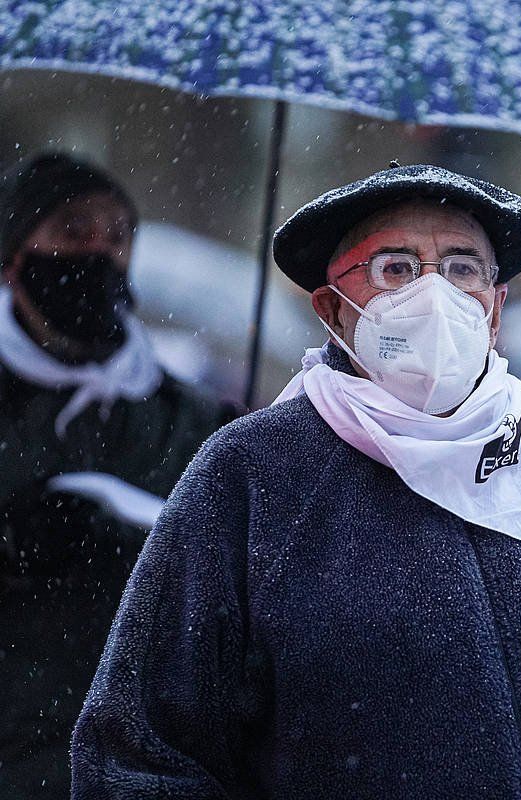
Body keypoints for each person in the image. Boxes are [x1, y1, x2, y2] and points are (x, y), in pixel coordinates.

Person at [71, 163, 521, 799]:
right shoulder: (255, 476)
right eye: (396, 268)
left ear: (495, 306)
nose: (435, 297)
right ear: (333, 308)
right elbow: (139, 754)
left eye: (462, 269)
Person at [0, 153, 237, 796]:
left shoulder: (198, 421)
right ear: (16, 255)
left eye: (118, 235)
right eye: (74, 231)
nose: (100, 251)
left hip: (147, 763)